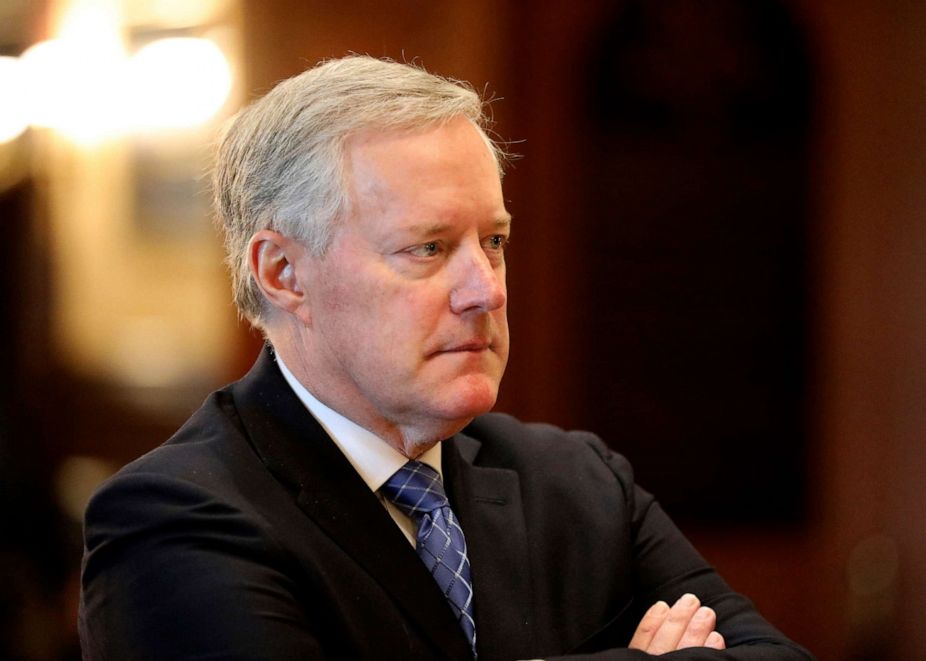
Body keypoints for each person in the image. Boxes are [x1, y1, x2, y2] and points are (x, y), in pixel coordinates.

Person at [78, 56, 813, 660]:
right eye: (427, 248)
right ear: (283, 273)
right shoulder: (176, 518)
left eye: (493, 241)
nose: (483, 289)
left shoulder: (576, 482)